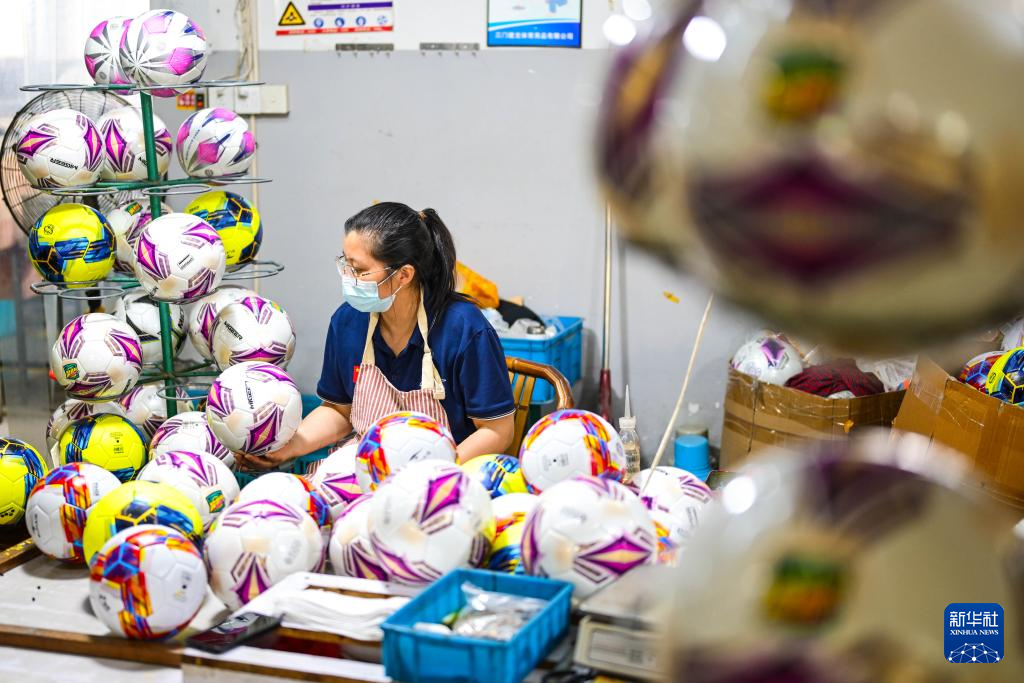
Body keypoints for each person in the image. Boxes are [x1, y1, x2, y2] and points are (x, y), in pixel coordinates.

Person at [237, 202, 515, 470]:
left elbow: (497, 431)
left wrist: (430, 473)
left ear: (404, 275)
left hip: (441, 474)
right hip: (365, 465)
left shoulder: (464, 328)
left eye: (359, 271)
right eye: (346, 265)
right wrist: (292, 446)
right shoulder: (347, 322)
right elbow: (339, 411)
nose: (348, 278)